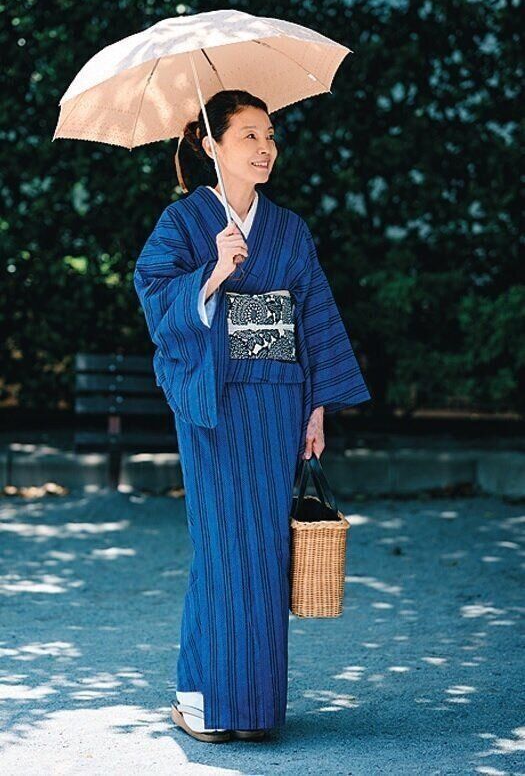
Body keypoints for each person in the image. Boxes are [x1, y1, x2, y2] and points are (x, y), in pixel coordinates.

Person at [133, 90, 371, 743]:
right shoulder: (184, 221)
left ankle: (253, 709)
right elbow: (154, 296)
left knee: (265, 548)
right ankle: (205, 702)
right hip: (213, 400)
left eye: (269, 136)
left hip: (277, 399)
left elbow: (314, 316)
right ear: (212, 145)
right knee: (219, 546)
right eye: (249, 136)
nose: (266, 148)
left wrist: (315, 408)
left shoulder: (288, 228)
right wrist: (213, 271)